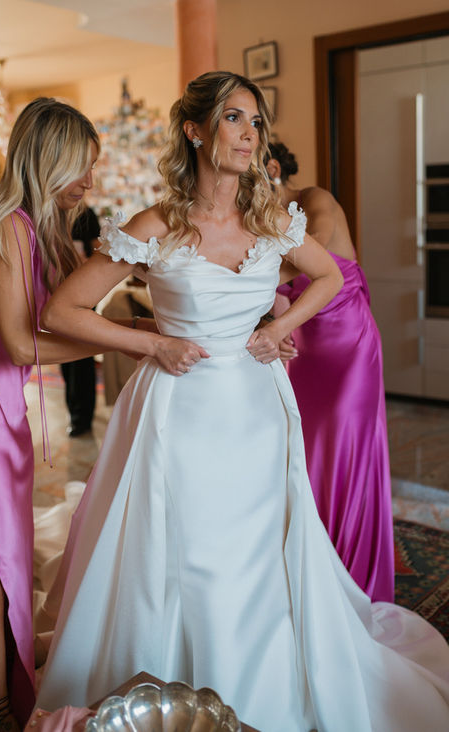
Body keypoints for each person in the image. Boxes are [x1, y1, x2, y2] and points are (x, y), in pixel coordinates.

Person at [35, 73, 449, 732]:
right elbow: (63, 311)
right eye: (233, 118)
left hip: (258, 410)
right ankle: (178, 684)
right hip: (180, 412)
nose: (249, 134)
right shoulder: (155, 225)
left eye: (256, 122)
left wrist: (280, 326)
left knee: (261, 551)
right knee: (191, 554)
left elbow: (330, 276)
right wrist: (152, 343)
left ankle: (268, 689)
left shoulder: (272, 221)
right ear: (195, 130)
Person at [0, 98, 142, 732]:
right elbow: (19, 343)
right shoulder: (8, 224)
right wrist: (133, 340)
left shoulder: (38, 229)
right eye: (82, 166)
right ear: (49, 160)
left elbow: (71, 316)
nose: (90, 181)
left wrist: (142, 321)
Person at [266, 141, 394, 603]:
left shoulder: (314, 199)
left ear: (273, 168)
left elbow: (312, 249)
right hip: (306, 350)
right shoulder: (259, 223)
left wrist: (247, 272)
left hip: (349, 348)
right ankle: (317, 565)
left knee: (346, 449)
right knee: (310, 451)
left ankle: (352, 574)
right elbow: (279, 300)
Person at [61, 206, 101, 437]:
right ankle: (73, 411)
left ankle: (82, 417)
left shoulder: (86, 214)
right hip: (57, 289)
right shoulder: (50, 213)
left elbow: (97, 248)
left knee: (81, 356)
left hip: (82, 291)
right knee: (64, 357)